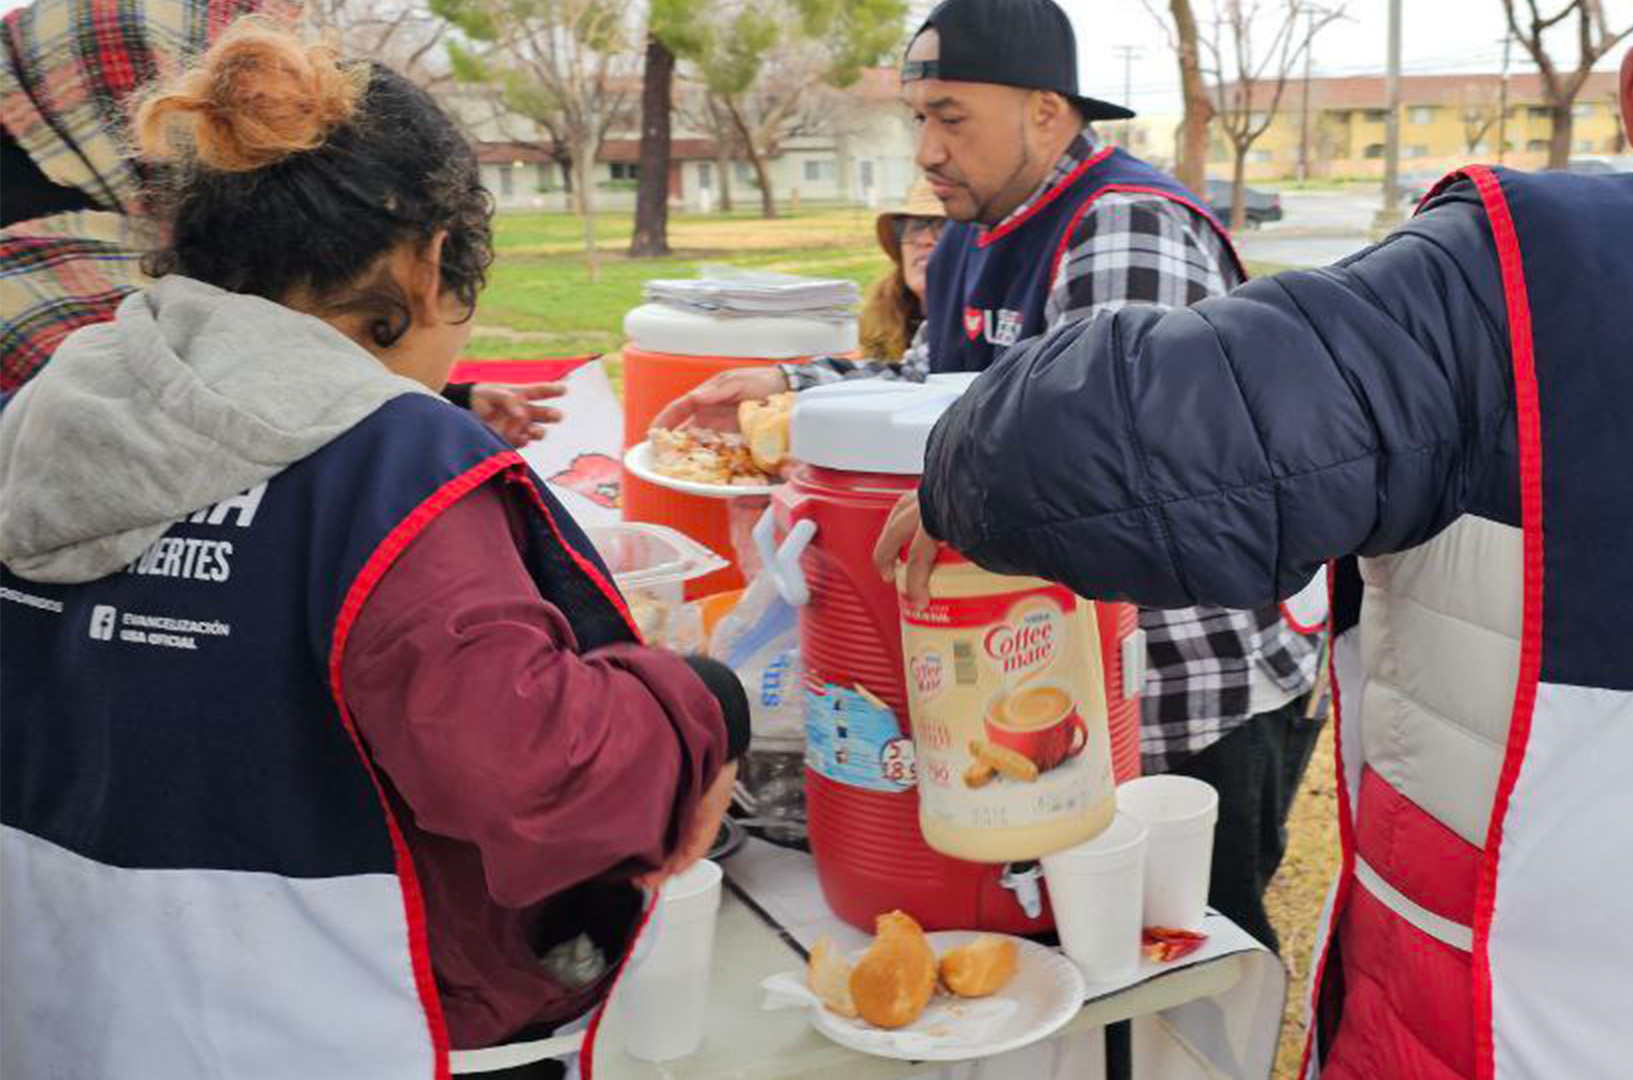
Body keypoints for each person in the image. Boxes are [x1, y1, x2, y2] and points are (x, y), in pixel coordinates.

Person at [883, 1, 1633, 1077]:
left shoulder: (1530, 270)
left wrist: (961, 468)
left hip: (1513, 1033)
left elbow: (1091, 451)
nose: (928, 151)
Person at [0, 22, 743, 1080]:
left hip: (63, 1011)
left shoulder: (43, 410)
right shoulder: (388, 459)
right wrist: (701, 703)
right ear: (434, 260)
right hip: (325, 1024)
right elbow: (536, 780)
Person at [659, 0, 1325, 951]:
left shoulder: (1121, 226)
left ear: (1047, 113)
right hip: (1053, 668)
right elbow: (943, 385)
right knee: (1060, 946)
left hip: (1191, 676)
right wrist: (793, 387)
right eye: (917, 118)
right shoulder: (976, 227)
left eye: (951, 117)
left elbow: (1108, 443)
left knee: (1170, 948)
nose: (926, 151)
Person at [0, 0, 563, 446]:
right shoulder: (60, 327)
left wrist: (456, 401)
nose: (254, 123)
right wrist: (436, 434)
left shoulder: (172, 297)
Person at [859, 180, 946, 361]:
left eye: (943, 227)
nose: (924, 240)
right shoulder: (882, 316)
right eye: (915, 228)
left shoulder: (979, 329)